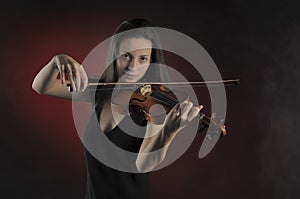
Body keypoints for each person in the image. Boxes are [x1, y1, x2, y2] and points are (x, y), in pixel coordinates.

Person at [32, 18, 202, 199]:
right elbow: (42, 86)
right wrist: (58, 60)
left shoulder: (153, 105)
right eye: (126, 56)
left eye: (143, 58)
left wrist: (168, 131)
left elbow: (143, 165)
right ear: (115, 55)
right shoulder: (99, 91)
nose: (132, 67)